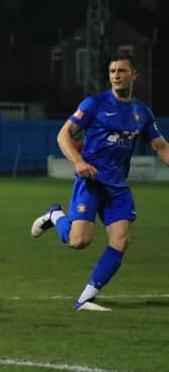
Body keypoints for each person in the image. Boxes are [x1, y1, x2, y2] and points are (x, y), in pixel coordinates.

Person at [31, 52, 169, 311]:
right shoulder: (94, 104)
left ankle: (85, 299)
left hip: (117, 186)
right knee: (79, 241)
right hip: (92, 180)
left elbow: (161, 147)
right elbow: (64, 135)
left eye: (122, 71)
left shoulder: (142, 113)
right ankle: (55, 216)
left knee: (121, 240)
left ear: (134, 75)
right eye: (112, 71)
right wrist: (79, 162)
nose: (116, 75)